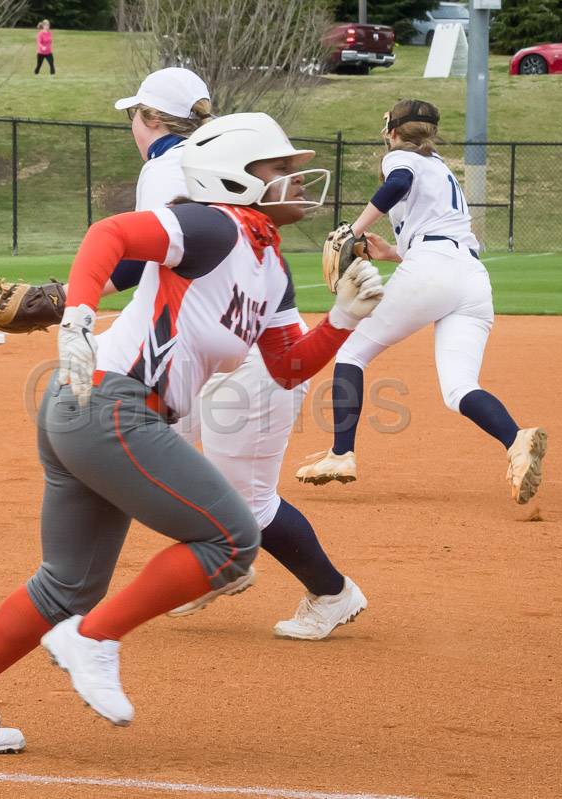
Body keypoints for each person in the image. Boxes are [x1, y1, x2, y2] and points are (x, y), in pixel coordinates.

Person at [0, 113, 385, 753]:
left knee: (69, 584)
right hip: (111, 406)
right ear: (236, 176)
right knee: (230, 539)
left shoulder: (269, 265)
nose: (296, 178)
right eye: (280, 167)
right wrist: (79, 315)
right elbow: (111, 232)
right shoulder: (213, 223)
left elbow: (287, 363)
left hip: (99, 414)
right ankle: (93, 638)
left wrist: (345, 318)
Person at [111, 68, 369, 637]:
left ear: (150, 119)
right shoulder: (208, 159)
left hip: (242, 350)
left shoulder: (167, 169)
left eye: (135, 113)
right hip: (221, 344)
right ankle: (217, 562)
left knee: (243, 498)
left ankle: (331, 592)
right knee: (169, 469)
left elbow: (133, 255)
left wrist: (67, 299)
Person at [294, 100, 547, 505]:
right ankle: (516, 440)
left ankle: (341, 454)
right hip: (471, 279)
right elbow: (437, 232)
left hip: (433, 268)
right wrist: (393, 252)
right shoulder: (442, 168)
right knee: (460, 388)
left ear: (392, 132)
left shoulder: (402, 158)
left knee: (352, 351)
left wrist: (351, 230)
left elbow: (397, 185)